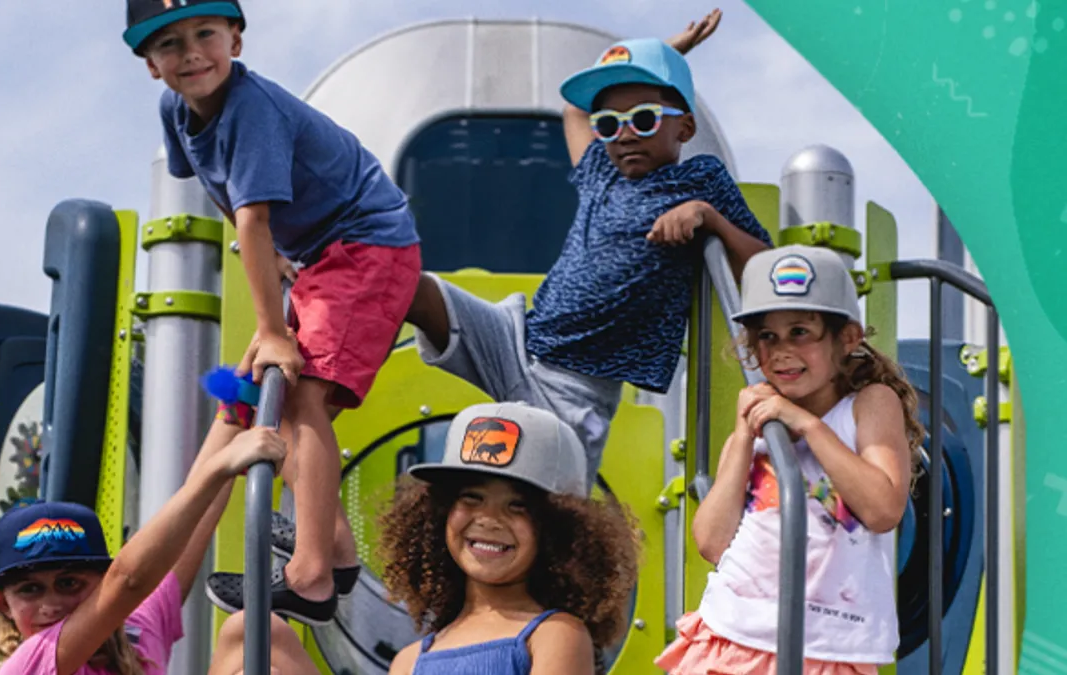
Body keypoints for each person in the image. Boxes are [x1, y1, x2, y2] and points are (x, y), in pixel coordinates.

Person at [123, 0, 421, 625]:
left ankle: (311, 576)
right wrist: (278, 264)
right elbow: (223, 192)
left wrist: (271, 329)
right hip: (319, 255)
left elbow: (255, 218)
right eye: (170, 44)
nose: (192, 53)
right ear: (151, 65)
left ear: (236, 36)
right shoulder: (175, 109)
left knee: (303, 395)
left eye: (206, 33)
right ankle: (334, 550)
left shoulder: (251, 109)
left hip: (366, 244)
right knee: (258, 395)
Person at [404, 10, 773, 489]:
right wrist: (662, 54)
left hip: (577, 391)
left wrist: (708, 215)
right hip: (518, 338)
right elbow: (573, 110)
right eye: (610, 122)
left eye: (642, 119)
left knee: (548, 516)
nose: (622, 134)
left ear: (683, 128)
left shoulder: (699, 180)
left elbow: (763, 265)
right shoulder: (601, 169)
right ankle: (316, 398)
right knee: (407, 287)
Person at [655, 245, 925, 674]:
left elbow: (883, 509)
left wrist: (807, 425)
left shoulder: (868, 404)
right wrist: (744, 436)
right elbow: (710, 542)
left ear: (848, 339)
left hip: (833, 643)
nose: (781, 351)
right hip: (733, 633)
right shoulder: (762, 427)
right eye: (767, 336)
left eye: (800, 331)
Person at [0, 415, 286, 675]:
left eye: (69, 583)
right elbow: (129, 581)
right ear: (3, 604)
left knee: (257, 631)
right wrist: (220, 466)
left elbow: (191, 525)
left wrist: (239, 394)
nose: (52, 604)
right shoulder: (28, 664)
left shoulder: (137, 630)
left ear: (100, 584)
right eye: (30, 589)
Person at [378, 402, 641, 675]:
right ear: (440, 512)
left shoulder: (556, 636)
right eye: (471, 497)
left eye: (519, 505)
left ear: (558, 528)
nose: (488, 519)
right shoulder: (408, 662)